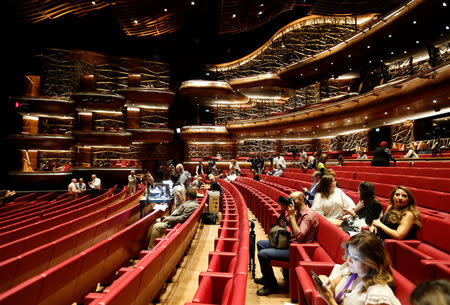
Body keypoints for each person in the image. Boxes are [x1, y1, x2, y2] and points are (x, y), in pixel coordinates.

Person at [255, 191, 318, 296]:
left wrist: (292, 216)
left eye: (294, 199)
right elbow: (285, 223)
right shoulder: (297, 211)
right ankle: (266, 278)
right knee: (261, 243)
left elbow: (299, 236)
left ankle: (271, 286)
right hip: (290, 243)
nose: (291, 201)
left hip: (298, 250)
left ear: (301, 200)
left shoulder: (308, 215)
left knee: (262, 254)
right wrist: (284, 212)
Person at [315, 232, 400, 305]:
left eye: (355, 258)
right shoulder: (353, 272)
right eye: (348, 254)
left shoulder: (378, 294)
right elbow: (333, 285)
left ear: (372, 262)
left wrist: (330, 300)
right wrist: (326, 283)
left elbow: (331, 299)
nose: (348, 260)